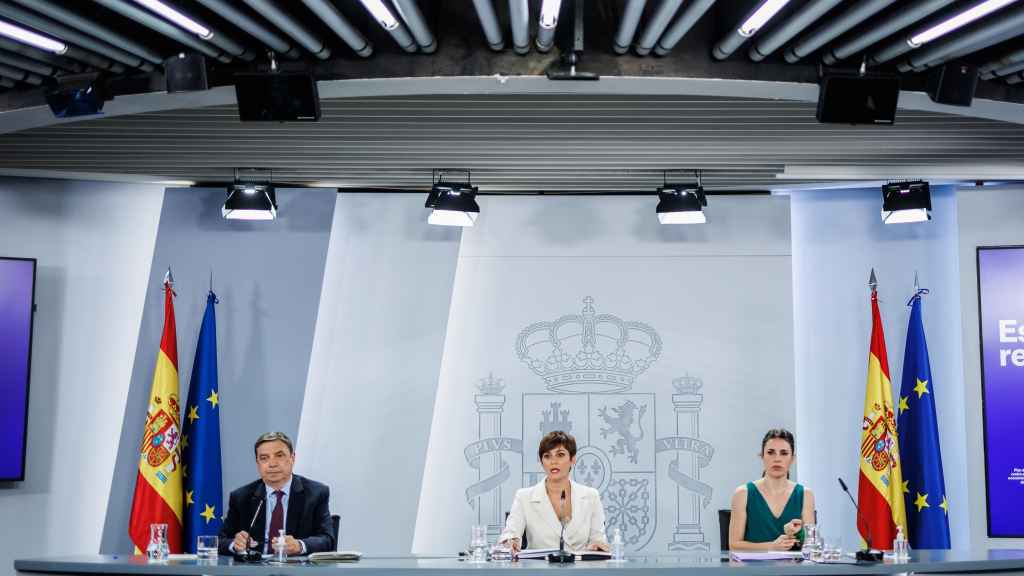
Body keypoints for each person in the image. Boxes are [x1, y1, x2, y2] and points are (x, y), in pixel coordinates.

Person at [218, 432, 335, 556]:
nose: (272, 464)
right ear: (257, 463)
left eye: (279, 456)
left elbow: (327, 539)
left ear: (292, 458)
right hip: (254, 571)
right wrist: (235, 544)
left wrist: (299, 545)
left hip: (298, 570)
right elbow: (221, 541)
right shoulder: (241, 497)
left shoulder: (316, 493)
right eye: (264, 458)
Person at [500, 430, 610, 553]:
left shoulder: (591, 496)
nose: (553, 461)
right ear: (542, 462)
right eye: (547, 456)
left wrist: (597, 546)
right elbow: (510, 534)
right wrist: (511, 542)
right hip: (539, 569)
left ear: (573, 459)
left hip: (580, 569)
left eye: (560, 455)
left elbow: (599, 539)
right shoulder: (524, 496)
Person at [728, 428, 815, 551]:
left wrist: (797, 533)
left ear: (792, 459)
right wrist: (772, 546)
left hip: (793, 569)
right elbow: (734, 545)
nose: (777, 459)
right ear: (762, 456)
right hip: (753, 569)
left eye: (784, 453)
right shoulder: (743, 493)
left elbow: (811, 543)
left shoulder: (806, 494)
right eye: (771, 452)